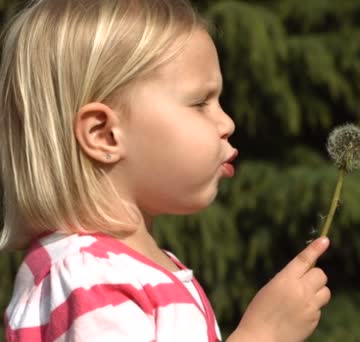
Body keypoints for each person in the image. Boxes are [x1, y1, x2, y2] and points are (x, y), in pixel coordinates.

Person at [0, 0, 331, 341]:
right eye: (200, 103)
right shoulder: (93, 280)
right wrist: (264, 334)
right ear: (104, 135)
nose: (227, 123)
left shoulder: (133, 270)